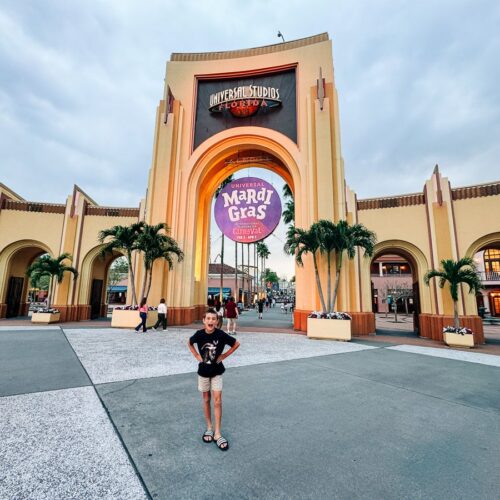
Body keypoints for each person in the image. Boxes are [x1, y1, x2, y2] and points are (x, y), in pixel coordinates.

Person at [188, 308, 240, 451]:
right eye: (208, 318)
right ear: (204, 320)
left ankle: (217, 433)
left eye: (213, 319)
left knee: (217, 400)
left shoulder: (221, 335)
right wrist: (197, 356)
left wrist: (224, 355)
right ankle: (209, 428)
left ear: (217, 321)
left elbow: (236, 344)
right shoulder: (199, 335)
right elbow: (189, 343)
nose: (211, 321)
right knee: (206, 399)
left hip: (217, 372)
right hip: (203, 372)